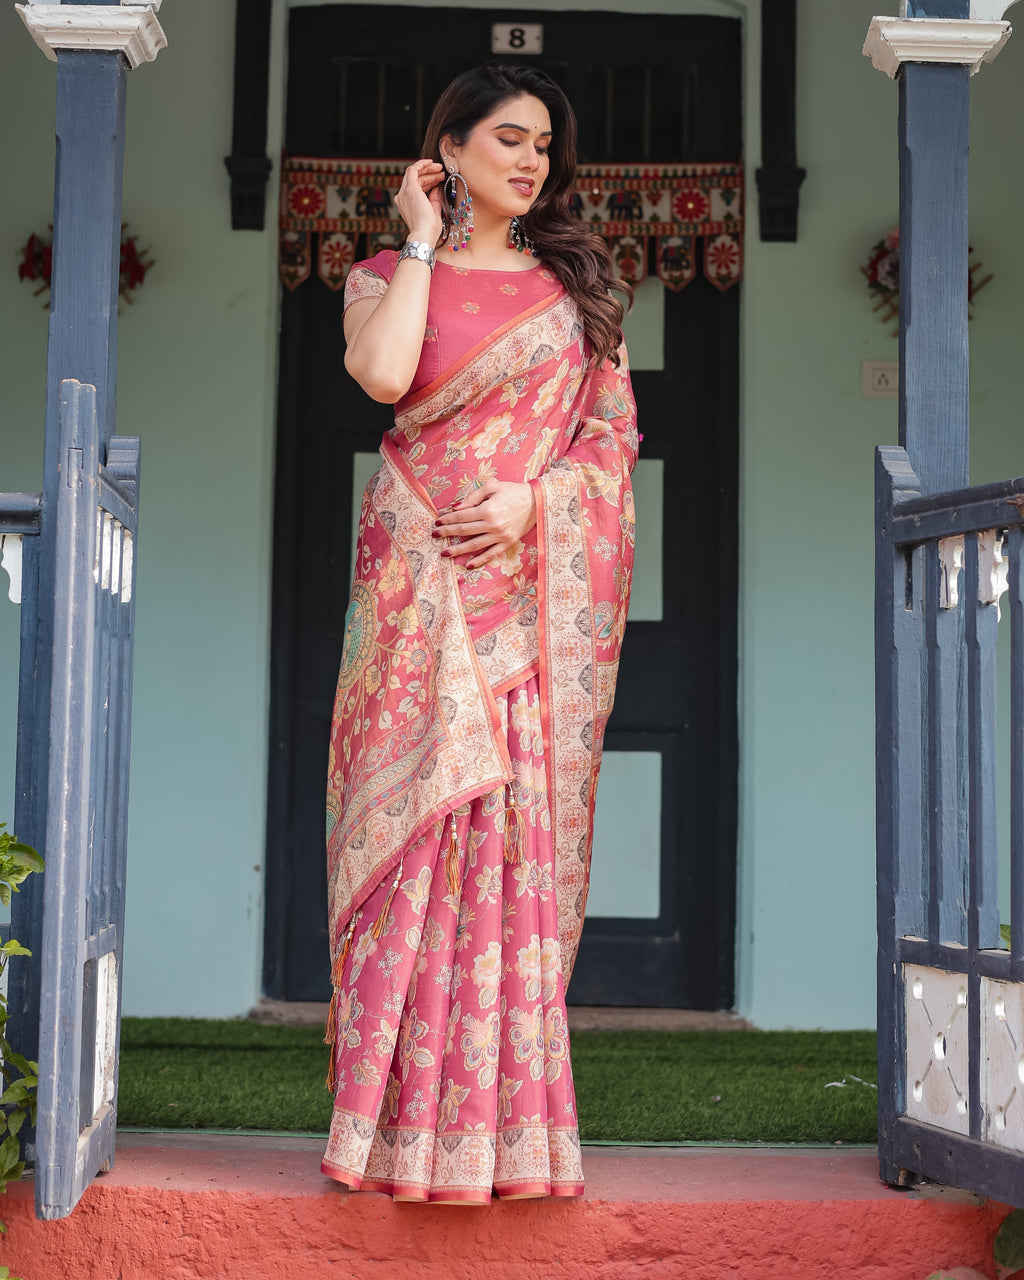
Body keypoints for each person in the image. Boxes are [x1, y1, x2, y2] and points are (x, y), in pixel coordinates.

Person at [322, 63, 637, 1204]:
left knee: (502, 845)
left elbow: (607, 449)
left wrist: (531, 504)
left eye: (544, 145)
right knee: (416, 841)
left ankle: (502, 1138)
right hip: (414, 593)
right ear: (447, 149)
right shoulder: (374, 275)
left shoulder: (575, 292)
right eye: (507, 138)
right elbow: (384, 374)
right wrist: (415, 238)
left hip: (519, 599)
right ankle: (390, 1134)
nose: (530, 161)